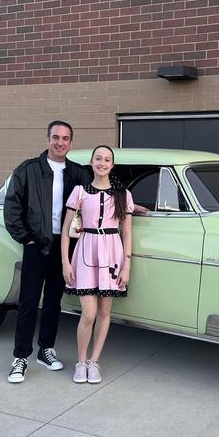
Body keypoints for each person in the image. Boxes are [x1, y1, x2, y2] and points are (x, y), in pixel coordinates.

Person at [4, 120, 91, 383]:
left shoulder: (77, 172)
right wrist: (26, 239)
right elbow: (12, 206)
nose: (60, 142)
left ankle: (46, 350)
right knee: (29, 301)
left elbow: (99, 191)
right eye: (56, 137)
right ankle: (20, 357)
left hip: (63, 246)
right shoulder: (28, 169)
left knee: (54, 301)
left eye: (65, 138)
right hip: (36, 244)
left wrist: (127, 202)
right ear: (48, 139)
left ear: (71, 143)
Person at [61, 145, 133, 384]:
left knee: (104, 312)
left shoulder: (123, 195)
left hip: (112, 254)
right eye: (98, 158)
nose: (102, 163)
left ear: (112, 165)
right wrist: (65, 263)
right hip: (85, 252)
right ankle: (80, 362)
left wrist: (126, 266)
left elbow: (127, 233)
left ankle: (94, 362)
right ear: (91, 162)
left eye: (107, 159)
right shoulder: (80, 191)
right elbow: (65, 231)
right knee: (89, 313)